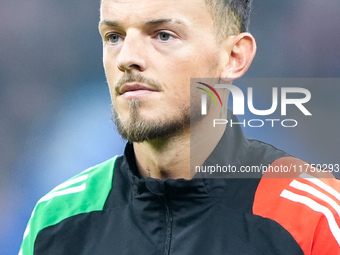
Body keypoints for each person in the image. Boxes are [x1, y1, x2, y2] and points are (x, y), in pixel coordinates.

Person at [20, 0, 340, 254]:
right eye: (114, 36)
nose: (127, 58)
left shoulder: (314, 216)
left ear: (232, 57)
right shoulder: (56, 217)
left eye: (163, 35)